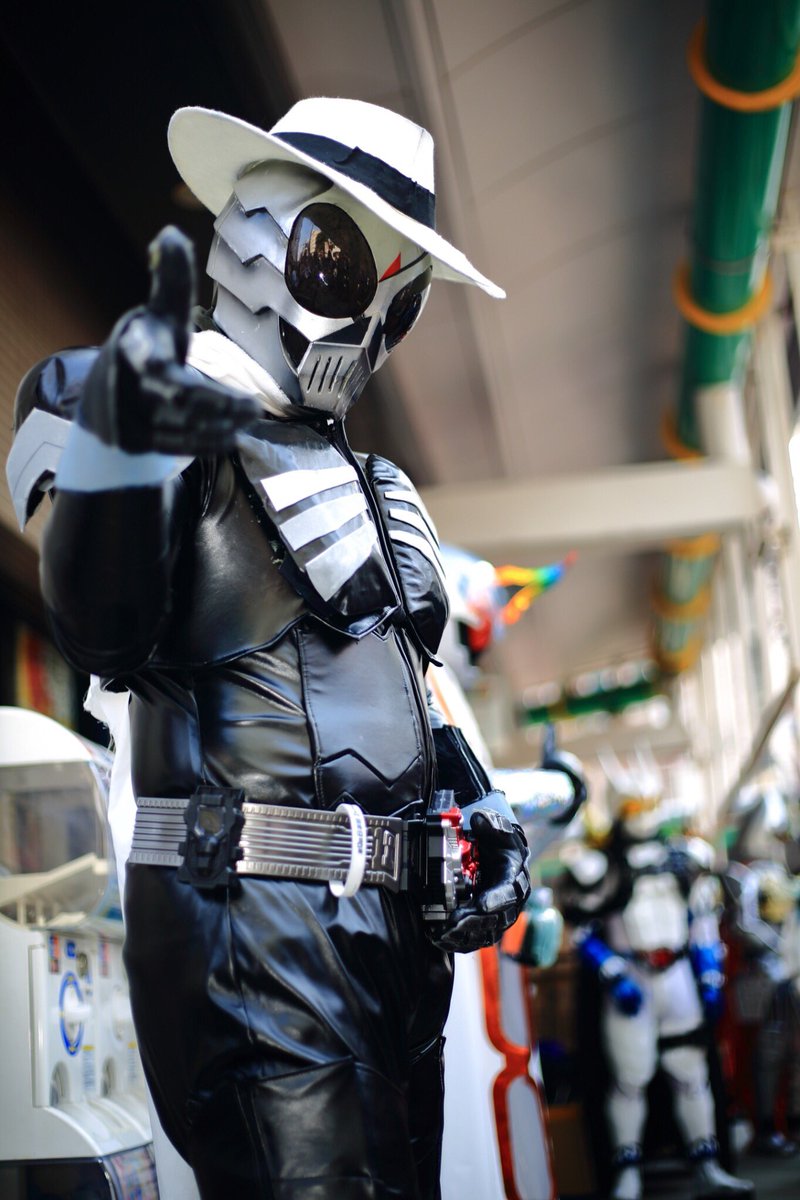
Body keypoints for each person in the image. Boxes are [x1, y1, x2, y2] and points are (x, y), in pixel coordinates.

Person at [6, 98, 561, 1199]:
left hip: (399, 947)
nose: (377, 312)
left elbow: (412, 695)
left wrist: (479, 807)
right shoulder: (130, 405)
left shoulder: (377, 486)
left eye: (405, 289)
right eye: (354, 261)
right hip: (254, 934)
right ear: (266, 232)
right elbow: (99, 622)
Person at [559, 755, 752, 1200]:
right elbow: (582, 929)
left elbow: (702, 919)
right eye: (634, 806)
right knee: (630, 1079)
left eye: (648, 804)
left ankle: (706, 1165)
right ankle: (627, 1174)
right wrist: (611, 972)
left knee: (691, 1073)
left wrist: (710, 973)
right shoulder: (599, 866)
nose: (643, 814)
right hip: (632, 977)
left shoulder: (685, 859)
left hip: (677, 977)